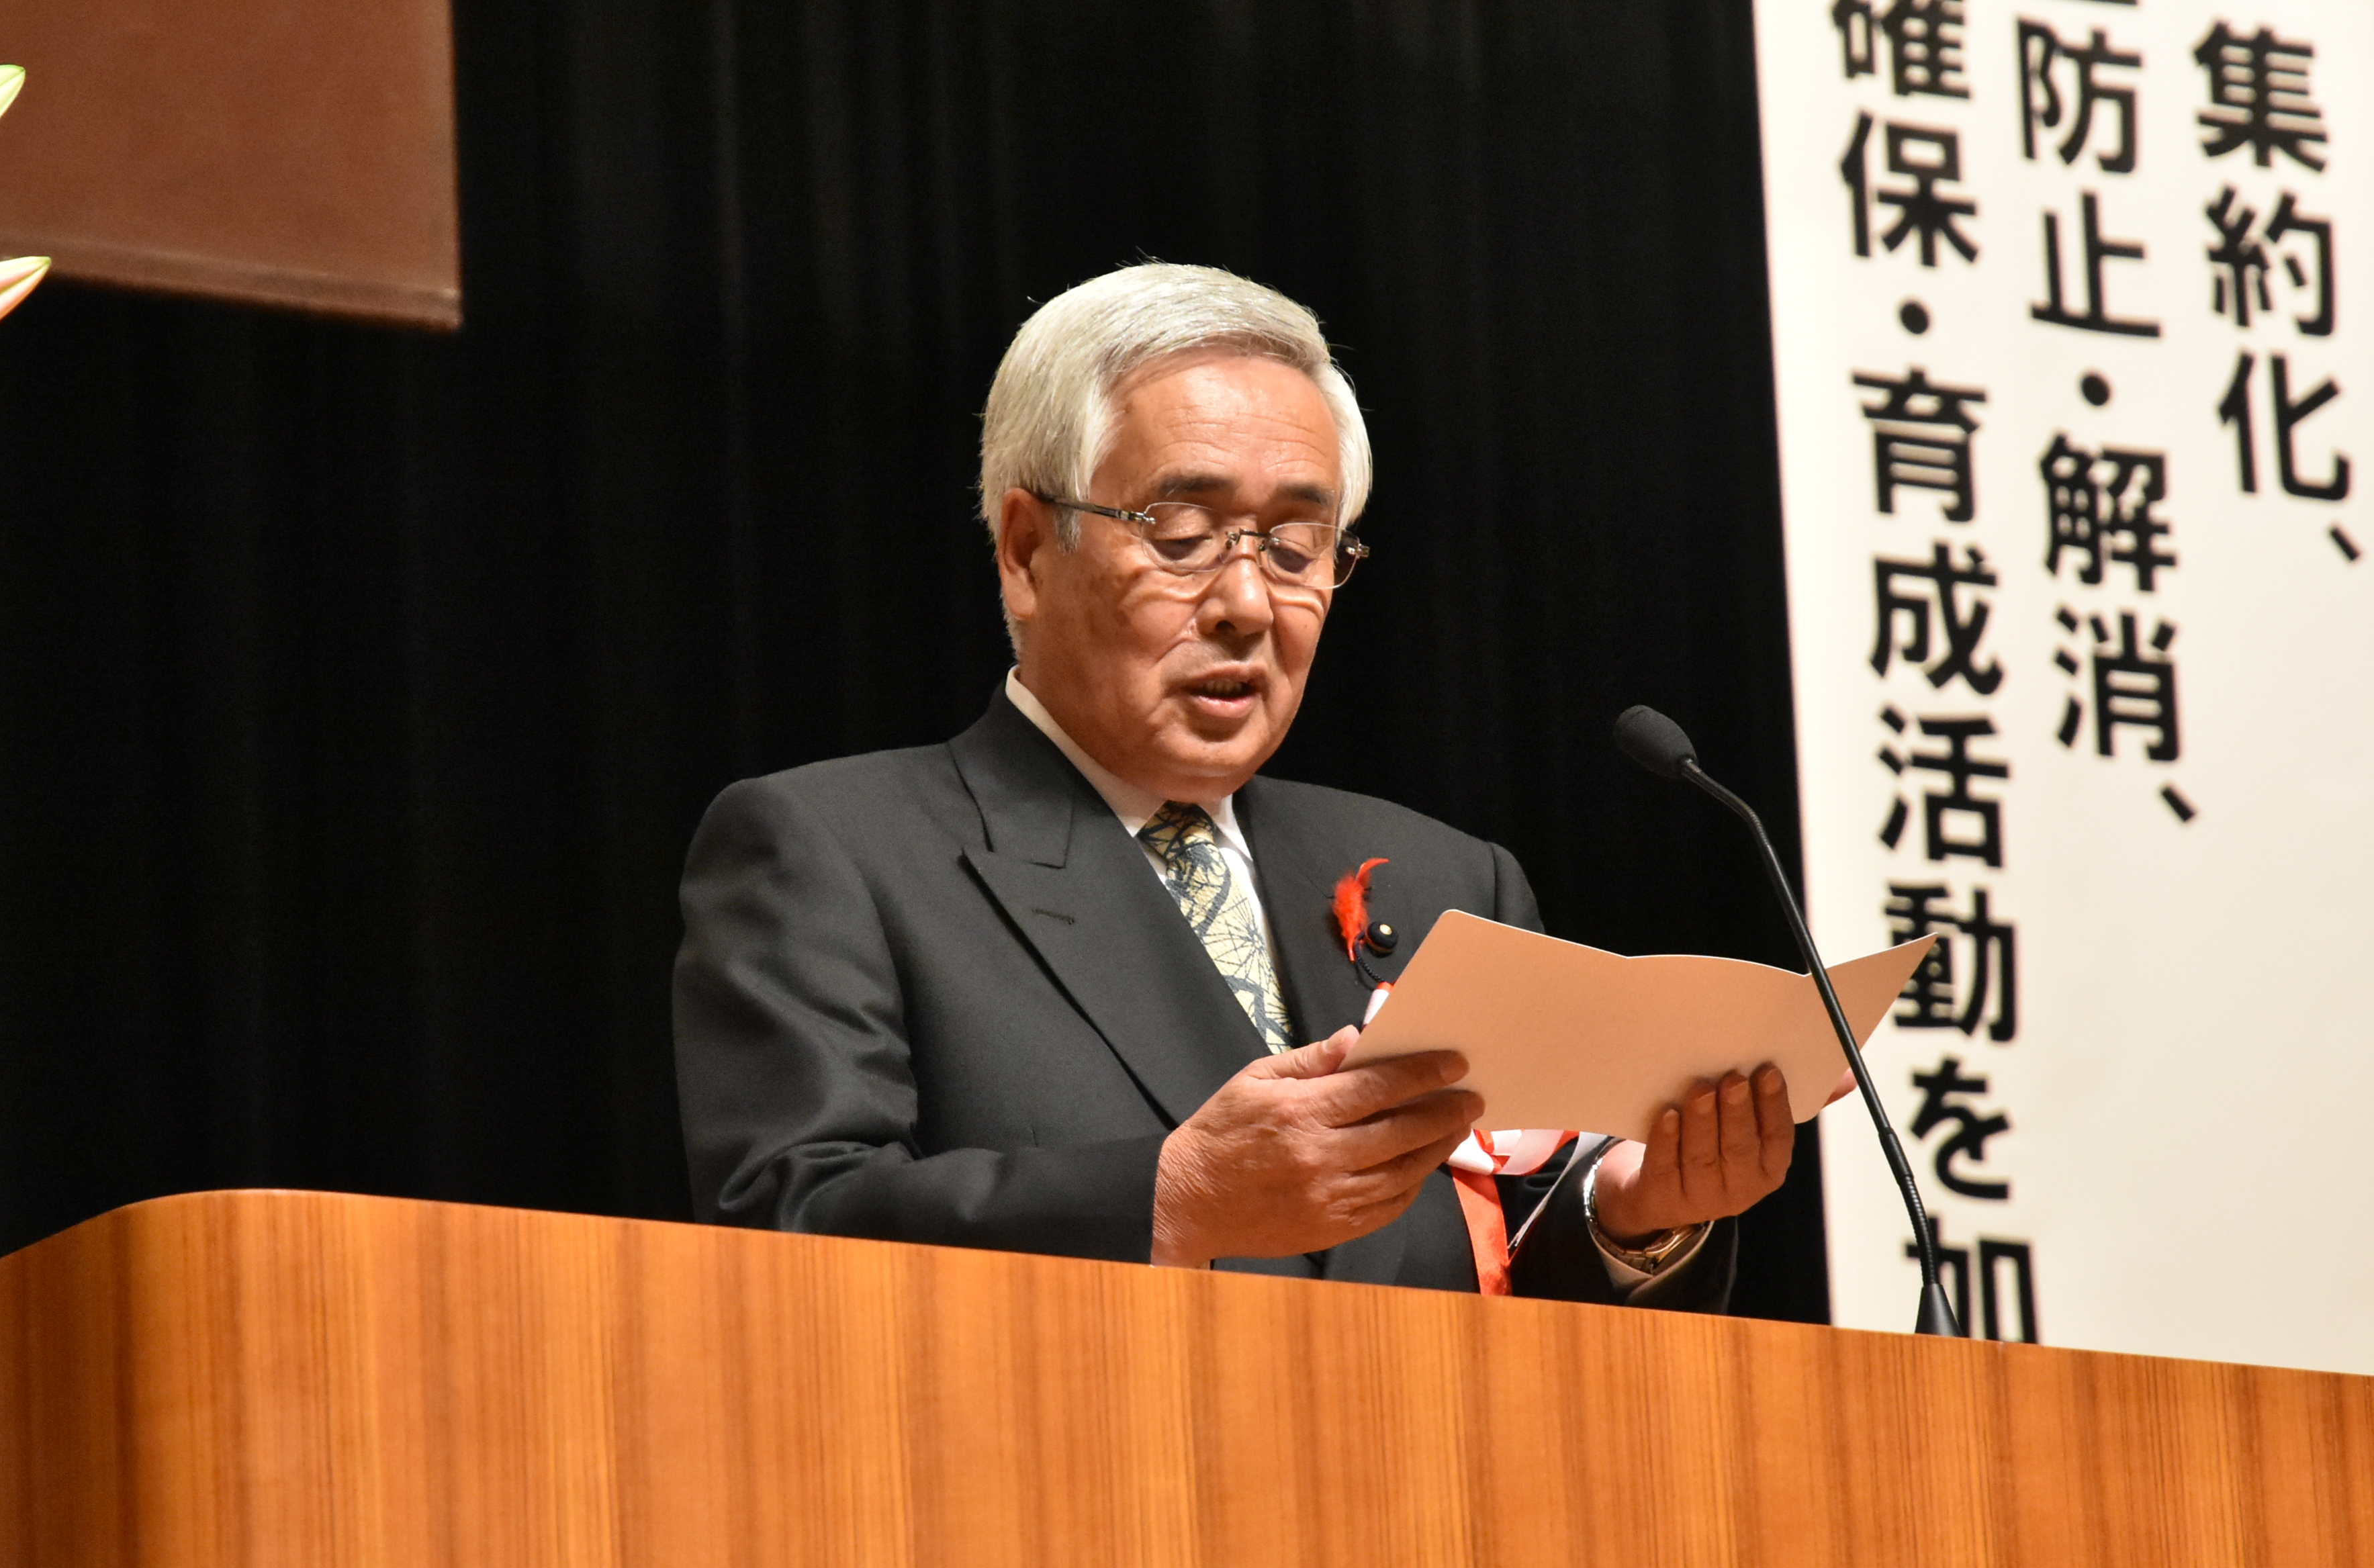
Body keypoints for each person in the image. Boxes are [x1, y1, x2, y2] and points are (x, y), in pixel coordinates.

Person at [674, 264, 1794, 1305]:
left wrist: (1633, 1219)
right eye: (1184, 534)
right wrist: (1171, 1200)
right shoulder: (834, 853)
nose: (1250, 605)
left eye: (1298, 548)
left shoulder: (1449, 882)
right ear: (1026, 551)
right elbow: (789, 1235)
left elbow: (1509, 1285)